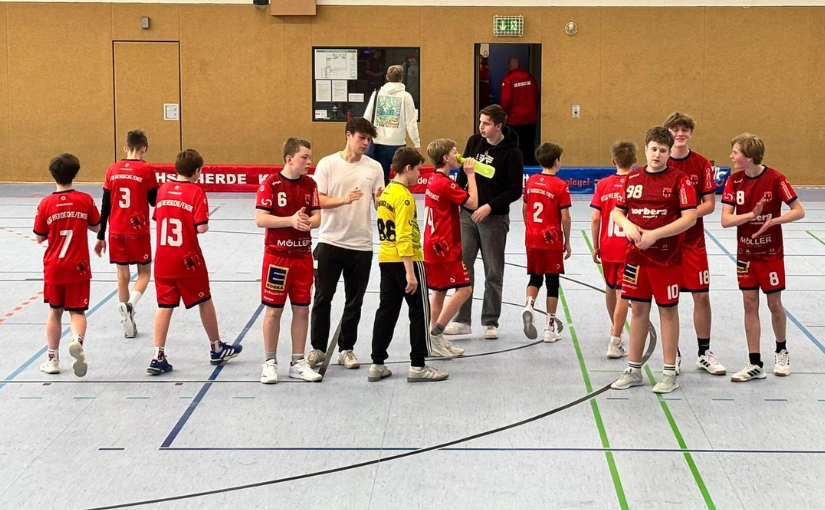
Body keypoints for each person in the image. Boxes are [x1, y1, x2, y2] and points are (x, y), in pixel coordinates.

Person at [610, 126, 697, 394]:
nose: (657, 154)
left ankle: (669, 372)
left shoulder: (680, 181)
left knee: (667, 311)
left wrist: (655, 235)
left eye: (662, 150)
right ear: (645, 150)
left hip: (666, 260)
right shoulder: (632, 179)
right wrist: (626, 224)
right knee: (638, 311)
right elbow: (617, 211)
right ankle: (634, 369)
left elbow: (689, 218)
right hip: (636, 258)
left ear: (670, 153)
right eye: (653, 149)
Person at [147, 149, 241, 375]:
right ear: (198, 171)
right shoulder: (196, 192)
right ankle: (216, 347)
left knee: (164, 306)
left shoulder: (163, 190)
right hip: (187, 259)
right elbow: (201, 227)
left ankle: (157, 356)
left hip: (162, 260)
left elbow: (159, 218)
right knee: (204, 300)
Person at [721, 133, 805, 382]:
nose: (731, 156)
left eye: (735, 152)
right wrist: (749, 215)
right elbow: (726, 220)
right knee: (749, 304)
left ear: (748, 156)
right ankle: (755, 362)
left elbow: (799, 210)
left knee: (774, 304)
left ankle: (781, 350)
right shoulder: (734, 181)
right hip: (745, 254)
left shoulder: (776, 179)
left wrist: (773, 221)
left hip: (771, 254)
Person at [307, 118, 384, 370]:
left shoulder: (374, 168)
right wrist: (344, 200)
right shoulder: (328, 164)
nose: (366, 143)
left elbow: (378, 203)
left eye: (369, 139)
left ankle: (346, 348)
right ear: (348, 135)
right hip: (330, 241)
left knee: (355, 301)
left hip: (361, 245)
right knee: (322, 298)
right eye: (362, 138)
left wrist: (384, 202)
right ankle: (317, 348)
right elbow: (318, 199)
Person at [368, 147, 448, 383]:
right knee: (419, 313)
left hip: (386, 259)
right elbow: (403, 234)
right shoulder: (403, 196)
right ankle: (418, 364)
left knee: (387, 311)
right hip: (406, 260)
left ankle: (377, 362)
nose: (419, 175)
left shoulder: (386, 193)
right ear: (407, 169)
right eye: (417, 170)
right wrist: (410, 272)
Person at [444, 104, 523, 340]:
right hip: (467, 215)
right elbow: (461, 175)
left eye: (486, 123)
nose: (481, 127)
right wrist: (458, 199)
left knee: (493, 270)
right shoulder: (473, 142)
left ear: (499, 126)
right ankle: (462, 319)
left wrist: (490, 207)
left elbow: (514, 190)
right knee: (464, 267)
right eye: (480, 122)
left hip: (494, 218)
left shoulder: (512, 153)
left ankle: (490, 320)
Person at [255, 137, 322, 384]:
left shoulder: (310, 185)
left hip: (303, 257)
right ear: (289, 158)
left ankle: (297, 361)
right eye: (304, 157)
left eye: (309, 157)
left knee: (302, 309)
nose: (309, 161)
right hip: (277, 259)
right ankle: (270, 362)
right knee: (274, 311)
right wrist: (289, 221)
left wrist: (307, 223)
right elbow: (261, 219)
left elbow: (317, 218)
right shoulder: (269, 184)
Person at [664, 112, 725, 376]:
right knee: (670, 300)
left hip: (693, 242)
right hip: (666, 245)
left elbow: (710, 204)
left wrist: (686, 215)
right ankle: (672, 354)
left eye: (685, 129)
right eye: (675, 129)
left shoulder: (701, 164)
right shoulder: (660, 160)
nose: (680, 134)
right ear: (668, 132)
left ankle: (704, 352)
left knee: (701, 296)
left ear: (691, 133)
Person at [34, 154, 101, 377]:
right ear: (76, 174)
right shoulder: (85, 200)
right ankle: (77, 341)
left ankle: (52, 359)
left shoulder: (45, 204)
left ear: (52, 174)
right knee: (78, 311)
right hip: (79, 267)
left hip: (54, 267)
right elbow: (95, 226)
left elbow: (39, 237)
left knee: (54, 312)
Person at [94, 130, 159, 338]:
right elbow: (154, 201)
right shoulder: (147, 169)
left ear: (125, 148)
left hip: (116, 231)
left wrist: (101, 234)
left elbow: (105, 205)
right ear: (144, 149)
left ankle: (127, 324)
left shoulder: (112, 170)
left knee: (122, 277)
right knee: (145, 273)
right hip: (137, 230)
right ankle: (130, 305)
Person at [424, 138, 479, 358]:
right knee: (465, 289)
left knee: (439, 291)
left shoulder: (433, 179)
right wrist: (472, 175)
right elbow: (473, 203)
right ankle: (436, 334)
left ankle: (432, 339)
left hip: (433, 244)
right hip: (444, 247)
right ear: (446, 158)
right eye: (455, 152)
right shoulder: (446, 184)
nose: (459, 155)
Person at [521, 143, 571, 343]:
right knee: (552, 283)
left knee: (535, 277)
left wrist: (530, 228)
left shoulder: (531, 181)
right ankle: (549, 329)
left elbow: (525, 209)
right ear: (557, 161)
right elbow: (565, 217)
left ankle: (529, 305)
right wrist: (567, 241)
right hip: (551, 241)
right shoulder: (560, 185)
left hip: (532, 238)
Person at [590, 141, 636, 358]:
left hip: (607, 245)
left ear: (613, 161)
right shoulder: (638, 183)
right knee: (623, 293)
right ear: (636, 160)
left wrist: (596, 245)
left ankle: (614, 327)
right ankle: (615, 340)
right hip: (628, 246)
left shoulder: (604, 184)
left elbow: (596, 217)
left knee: (610, 288)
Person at [363, 65, 421, 184]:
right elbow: (411, 123)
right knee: (401, 179)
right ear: (401, 78)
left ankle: (380, 202)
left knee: (380, 182)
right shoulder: (406, 96)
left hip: (378, 143)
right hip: (398, 144)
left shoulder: (376, 94)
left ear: (387, 77)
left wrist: (366, 138)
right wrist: (416, 142)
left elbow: (367, 118)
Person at [500, 56, 540, 166]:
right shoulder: (530, 77)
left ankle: (515, 165)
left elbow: (506, 100)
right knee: (529, 144)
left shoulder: (508, 79)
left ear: (509, 65)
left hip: (514, 119)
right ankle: (528, 165)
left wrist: (504, 115)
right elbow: (536, 96)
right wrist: (533, 109)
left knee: (514, 144)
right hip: (531, 117)